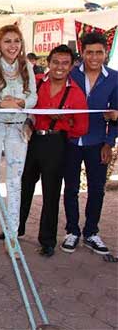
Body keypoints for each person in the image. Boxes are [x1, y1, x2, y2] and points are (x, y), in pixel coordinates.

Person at [18, 45, 88, 257]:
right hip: (31, 141)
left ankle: (47, 240)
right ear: (48, 62)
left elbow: (81, 127)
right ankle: (15, 229)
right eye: (56, 62)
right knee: (24, 186)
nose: (59, 67)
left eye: (65, 63)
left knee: (50, 193)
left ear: (72, 66)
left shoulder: (76, 92)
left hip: (56, 144)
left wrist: (64, 121)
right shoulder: (37, 82)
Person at [0, 25, 37, 253]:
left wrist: (21, 103)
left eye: (16, 41)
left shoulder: (27, 66)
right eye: (7, 41)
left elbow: (33, 96)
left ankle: (12, 233)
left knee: (15, 181)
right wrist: (5, 103)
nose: (13, 46)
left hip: (18, 129)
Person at [62, 33, 117, 255]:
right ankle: (72, 231)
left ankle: (91, 232)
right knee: (71, 188)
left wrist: (109, 142)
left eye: (99, 52)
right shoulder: (70, 74)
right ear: (82, 53)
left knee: (96, 189)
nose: (94, 57)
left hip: (98, 143)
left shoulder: (114, 78)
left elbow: (115, 115)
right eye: (90, 52)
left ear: (105, 54)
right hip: (71, 141)